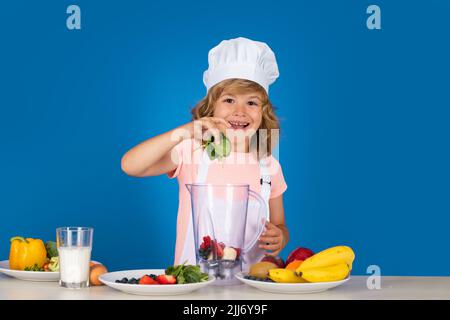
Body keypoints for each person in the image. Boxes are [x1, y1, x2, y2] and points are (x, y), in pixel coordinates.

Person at [121, 37, 289, 268]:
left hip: (253, 287)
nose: (240, 111)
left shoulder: (268, 165)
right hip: (194, 285)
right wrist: (186, 131)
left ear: (264, 113)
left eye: (251, 103)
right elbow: (131, 165)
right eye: (229, 100)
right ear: (211, 108)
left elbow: (280, 225)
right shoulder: (193, 152)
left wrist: (280, 237)